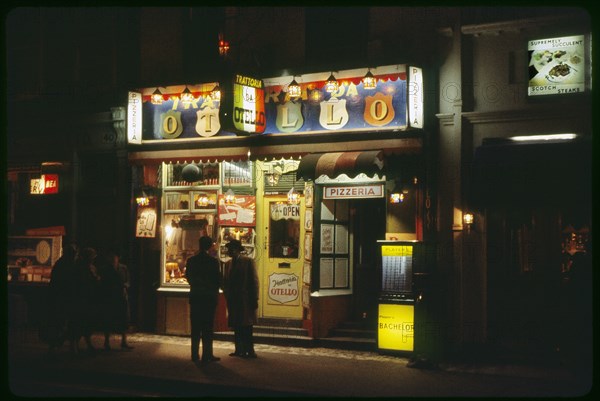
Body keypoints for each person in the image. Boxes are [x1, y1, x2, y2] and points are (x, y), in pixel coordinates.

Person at [185, 236, 221, 363]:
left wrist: (197, 285)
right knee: (207, 328)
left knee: (195, 328)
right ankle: (207, 354)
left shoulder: (191, 261)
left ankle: (194, 355)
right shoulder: (213, 262)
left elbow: (188, 277)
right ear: (209, 246)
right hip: (208, 298)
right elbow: (217, 280)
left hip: (196, 297)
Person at [223, 239, 259, 358]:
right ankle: (239, 349)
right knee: (237, 325)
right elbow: (226, 282)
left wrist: (255, 298)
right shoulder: (228, 264)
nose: (228, 251)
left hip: (245, 299)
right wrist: (227, 294)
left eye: (230, 249)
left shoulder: (248, 261)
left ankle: (250, 350)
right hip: (233, 299)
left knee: (247, 326)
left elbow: (254, 281)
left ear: (236, 250)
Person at [44, 242, 78, 354]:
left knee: (62, 323)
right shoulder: (68, 265)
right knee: (62, 323)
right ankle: (59, 345)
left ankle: (57, 345)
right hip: (64, 298)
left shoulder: (61, 264)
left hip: (62, 298)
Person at [98, 249, 134, 351]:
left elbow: (128, 281)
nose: (112, 259)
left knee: (124, 319)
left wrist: (125, 286)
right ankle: (106, 342)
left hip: (121, 296)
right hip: (110, 296)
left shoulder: (123, 268)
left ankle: (124, 341)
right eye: (110, 257)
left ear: (118, 258)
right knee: (108, 319)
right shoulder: (105, 269)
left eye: (114, 257)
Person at [71, 247, 102, 354]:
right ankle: (74, 345)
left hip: (90, 298)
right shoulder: (79, 267)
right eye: (91, 256)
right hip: (81, 298)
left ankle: (87, 343)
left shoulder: (92, 267)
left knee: (88, 323)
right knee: (79, 322)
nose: (93, 259)